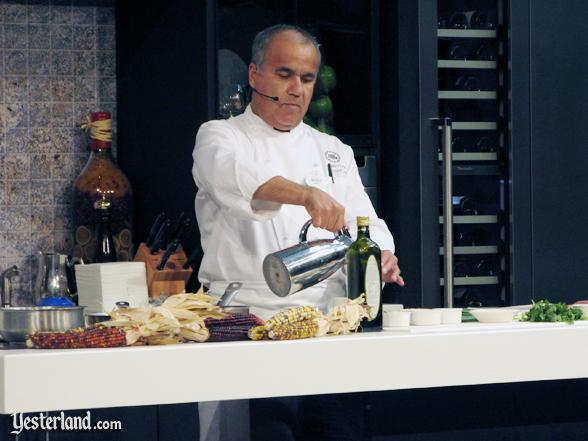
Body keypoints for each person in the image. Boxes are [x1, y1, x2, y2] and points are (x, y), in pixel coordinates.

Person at [192, 24, 404, 321]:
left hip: (328, 315)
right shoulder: (219, 136)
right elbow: (236, 176)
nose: (296, 89)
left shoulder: (332, 149)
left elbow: (364, 224)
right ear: (254, 75)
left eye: (307, 79)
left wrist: (377, 255)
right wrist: (305, 195)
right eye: (284, 74)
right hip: (244, 314)